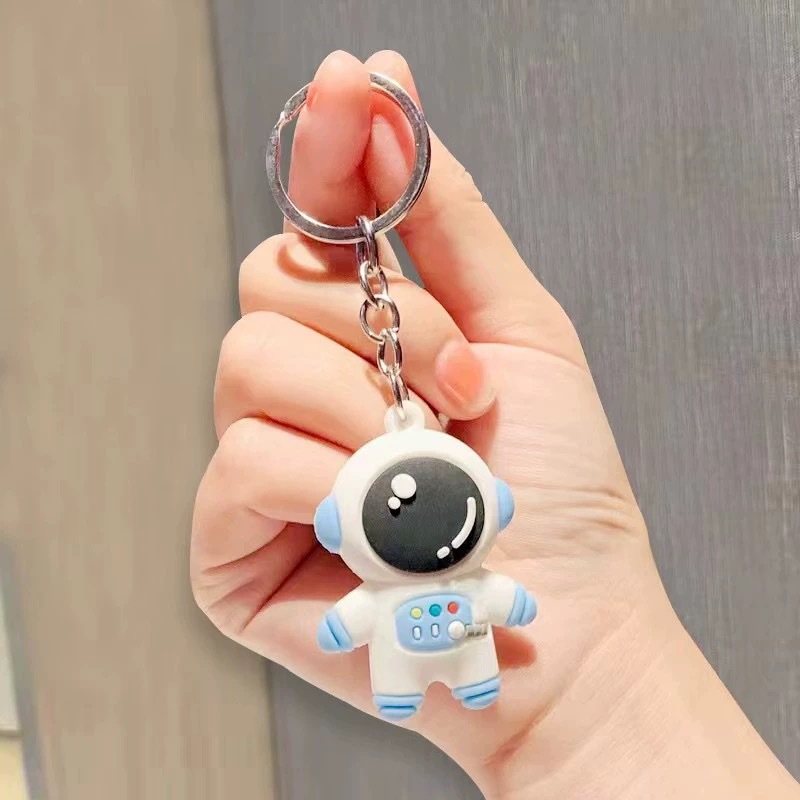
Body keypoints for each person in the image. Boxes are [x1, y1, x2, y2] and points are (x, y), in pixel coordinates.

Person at [190, 50, 800, 799]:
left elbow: (490, 607)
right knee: (410, 672)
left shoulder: (475, 548)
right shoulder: (414, 550)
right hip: (439, 649)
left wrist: (591, 699)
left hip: (481, 651)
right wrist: (580, 716)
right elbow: (358, 620)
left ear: (495, 506)